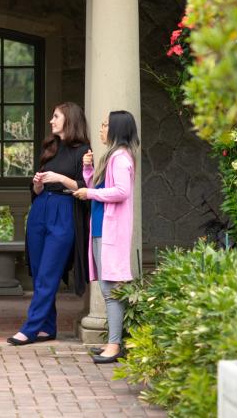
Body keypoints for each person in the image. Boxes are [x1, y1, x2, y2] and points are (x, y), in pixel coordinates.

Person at [8, 102, 91, 345]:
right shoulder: (51, 147)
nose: (51, 121)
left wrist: (61, 178)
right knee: (38, 271)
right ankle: (48, 327)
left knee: (48, 272)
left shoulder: (84, 151)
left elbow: (87, 187)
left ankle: (30, 328)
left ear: (69, 120)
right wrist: (37, 185)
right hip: (40, 208)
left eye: (56, 116)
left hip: (64, 211)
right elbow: (37, 189)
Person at [74, 110, 139, 363]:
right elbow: (99, 189)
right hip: (102, 229)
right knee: (107, 288)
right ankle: (112, 343)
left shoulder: (121, 158)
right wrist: (88, 169)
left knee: (111, 290)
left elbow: (121, 191)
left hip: (111, 232)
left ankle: (114, 345)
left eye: (105, 125)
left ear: (116, 129)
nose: (101, 129)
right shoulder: (111, 157)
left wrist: (88, 194)